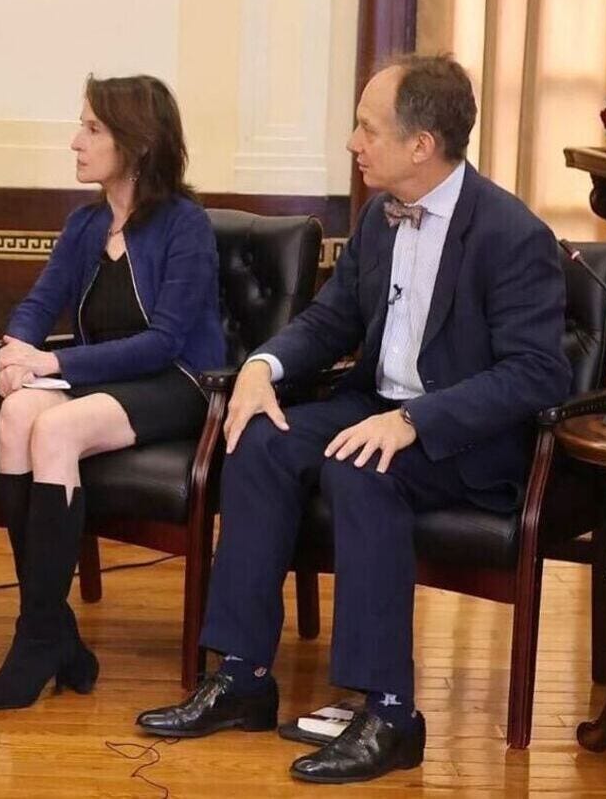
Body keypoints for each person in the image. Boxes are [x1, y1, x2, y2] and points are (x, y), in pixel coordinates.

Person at [132, 55, 571, 783]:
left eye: (368, 128)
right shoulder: (378, 216)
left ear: (421, 144)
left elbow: (536, 372)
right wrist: (262, 368)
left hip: (463, 437)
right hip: (373, 406)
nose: (352, 142)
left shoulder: (510, 233)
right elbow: (330, 320)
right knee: (260, 438)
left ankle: (391, 714)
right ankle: (242, 677)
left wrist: (417, 421)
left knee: (362, 465)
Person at [0, 74, 227, 710]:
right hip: (104, 378)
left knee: (55, 427)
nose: (75, 142)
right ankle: (52, 632)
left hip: (179, 382)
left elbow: (164, 343)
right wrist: (15, 353)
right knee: (16, 413)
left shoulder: (186, 226)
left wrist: (52, 360)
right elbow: (39, 304)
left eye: (93, 129)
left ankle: (37, 640)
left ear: (136, 144)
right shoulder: (85, 225)